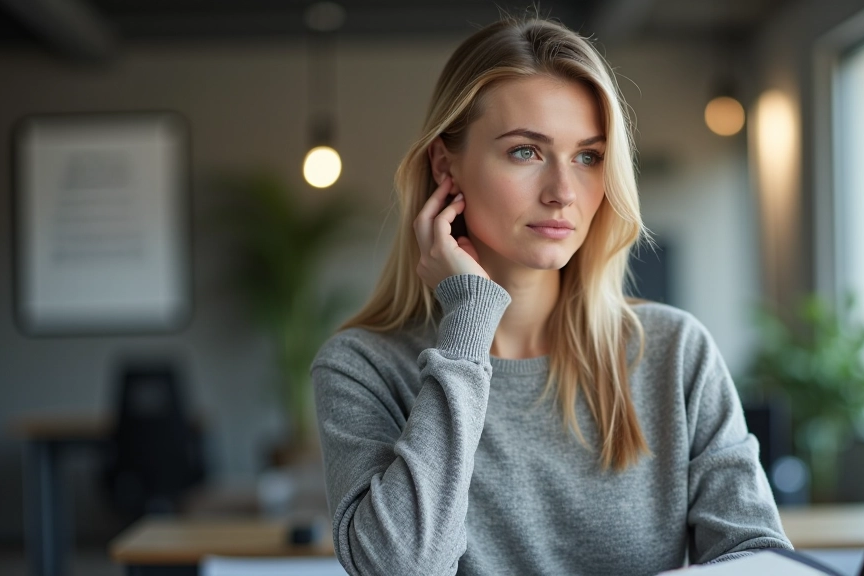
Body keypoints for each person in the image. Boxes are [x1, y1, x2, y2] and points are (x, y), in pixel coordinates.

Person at [310, 15, 792, 576]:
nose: (563, 192)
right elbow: (398, 569)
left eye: (588, 156)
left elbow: (758, 561)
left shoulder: (675, 352)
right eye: (525, 152)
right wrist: (468, 322)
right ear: (446, 165)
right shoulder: (362, 368)